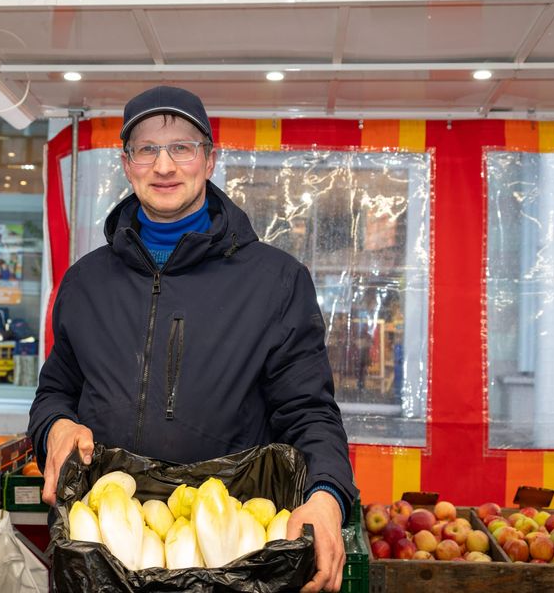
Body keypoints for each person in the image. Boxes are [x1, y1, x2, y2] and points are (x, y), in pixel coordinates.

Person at [29, 85, 358, 593]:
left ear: (209, 159)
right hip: (104, 556)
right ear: (126, 163)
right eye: (147, 149)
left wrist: (327, 493)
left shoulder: (275, 281)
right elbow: (56, 390)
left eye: (181, 147)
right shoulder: (86, 282)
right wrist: (55, 426)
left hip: (231, 560)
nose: (164, 165)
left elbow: (309, 411)